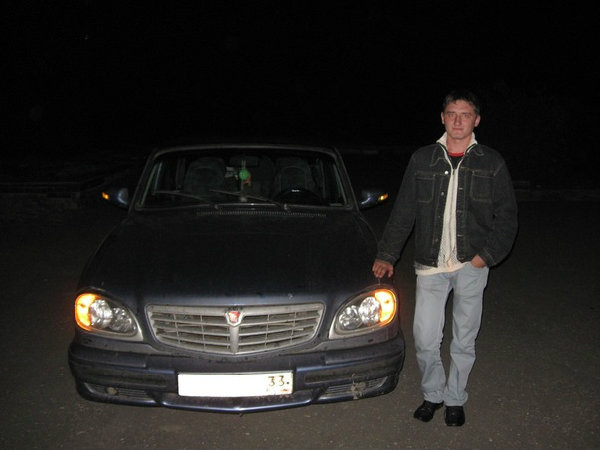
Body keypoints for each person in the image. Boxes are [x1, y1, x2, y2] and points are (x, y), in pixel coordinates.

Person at [372, 89, 518, 427]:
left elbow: (507, 216)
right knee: (424, 336)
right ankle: (433, 393)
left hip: (471, 263)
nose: (458, 120)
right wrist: (387, 254)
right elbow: (404, 210)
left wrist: (486, 256)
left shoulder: (491, 161)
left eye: (465, 115)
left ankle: (454, 398)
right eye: (452, 113)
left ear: (476, 120)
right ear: (442, 117)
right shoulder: (423, 159)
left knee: (464, 338)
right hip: (431, 263)